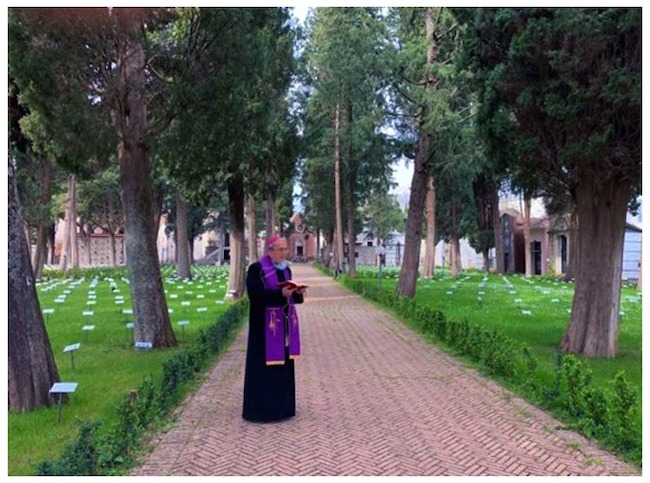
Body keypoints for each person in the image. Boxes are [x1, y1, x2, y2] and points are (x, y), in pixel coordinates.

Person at [242, 235, 306, 423]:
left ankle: (283, 408)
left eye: (286, 249)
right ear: (270, 250)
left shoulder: (287, 270)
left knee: (283, 366)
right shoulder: (257, 270)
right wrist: (280, 294)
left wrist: (298, 294)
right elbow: (255, 295)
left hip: (284, 327)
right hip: (264, 329)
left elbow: (290, 298)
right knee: (264, 369)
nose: (284, 253)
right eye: (280, 249)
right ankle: (262, 410)